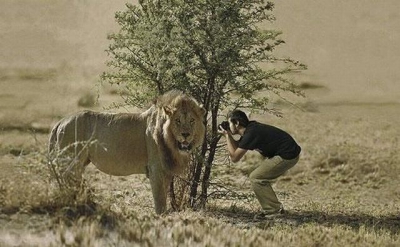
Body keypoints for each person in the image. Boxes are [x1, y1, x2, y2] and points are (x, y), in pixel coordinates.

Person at [218, 109, 301, 217]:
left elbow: (234, 158)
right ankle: (274, 209)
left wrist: (227, 136)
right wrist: (228, 134)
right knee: (258, 177)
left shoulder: (251, 133)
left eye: (229, 123)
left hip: (288, 155)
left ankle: (274, 211)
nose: (228, 126)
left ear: (237, 123)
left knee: (257, 177)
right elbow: (237, 148)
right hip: (287, 152)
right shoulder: (250, 130)